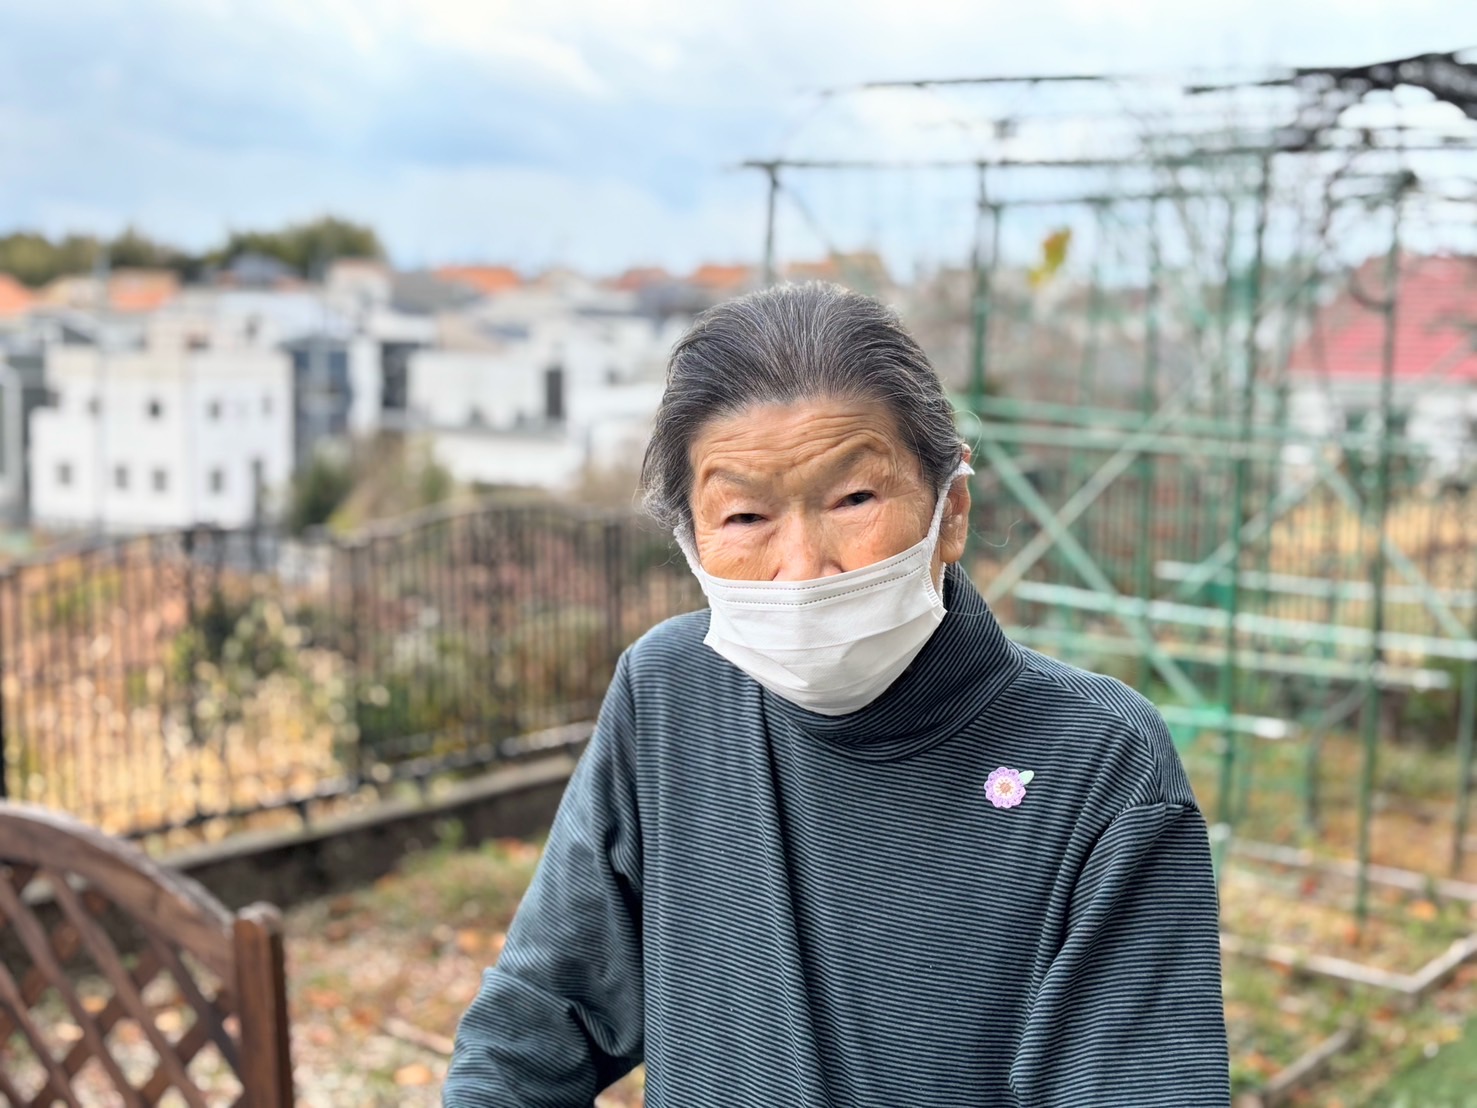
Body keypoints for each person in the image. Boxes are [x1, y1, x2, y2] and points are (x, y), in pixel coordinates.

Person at [443, 282, 1230, 1107]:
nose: (802, 568)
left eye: (853, 499)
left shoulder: (1097, 762)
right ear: (692, 541)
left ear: (950, 511)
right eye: (744, 517)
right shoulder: (670, 694)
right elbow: (535, 1025)